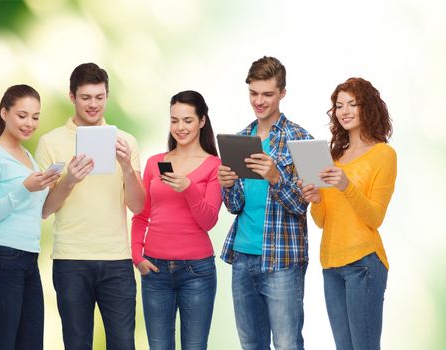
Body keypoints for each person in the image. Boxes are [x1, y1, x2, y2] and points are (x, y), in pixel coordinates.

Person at [34, 63, 145, 350]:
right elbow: (43, 210)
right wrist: (68, 180)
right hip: (71, 259)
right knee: (77, 343)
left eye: (99, 97)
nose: (93, 104)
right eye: (86, 97)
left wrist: (127, 168)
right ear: (72, 97)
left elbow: (138, 206)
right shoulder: (51, 142)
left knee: (123, 344)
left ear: (107, 96)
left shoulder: (126, 142)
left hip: (117, 261)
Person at [217, 56, 312, 350]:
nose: (259, 101)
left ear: (282, 93)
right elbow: (235, 206)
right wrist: (228, 185)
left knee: (287, 344)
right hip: (242, 257)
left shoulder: (302, 140)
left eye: (267, 94)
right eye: (253, 93)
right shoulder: (241, 138)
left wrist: (275, 177)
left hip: (282, 260)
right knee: (251, 344)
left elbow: (304, 204)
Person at [299, 77, 396, 350]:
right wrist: (316, 199)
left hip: (364, 264)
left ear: (369, 107)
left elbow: (375, 217)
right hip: (331, 265)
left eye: (353, 104)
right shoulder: (333, 156)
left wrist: (346, 185)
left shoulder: (383, 155)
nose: (345, 111)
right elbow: (322, 221)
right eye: (339, 105)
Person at [131, 90, 222, 350]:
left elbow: (209, 221)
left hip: (197, 272)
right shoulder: (155, 163)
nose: (180, 128)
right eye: (174, 121)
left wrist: (189, 188)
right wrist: (137, 255)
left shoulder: (214, 165)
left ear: (202, 121)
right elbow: (141, 213)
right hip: (155, 271)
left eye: (187, 120)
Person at [0, 84, 60, 350]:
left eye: (35, 117)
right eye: (22, 115)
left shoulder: (28, 158)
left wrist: (61, 184)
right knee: (3, 343)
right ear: (4, 113)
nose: (29, 123)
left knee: (31, 343)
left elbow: (41, 212)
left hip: (28, 258)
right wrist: (24, 188)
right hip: (1, 257)